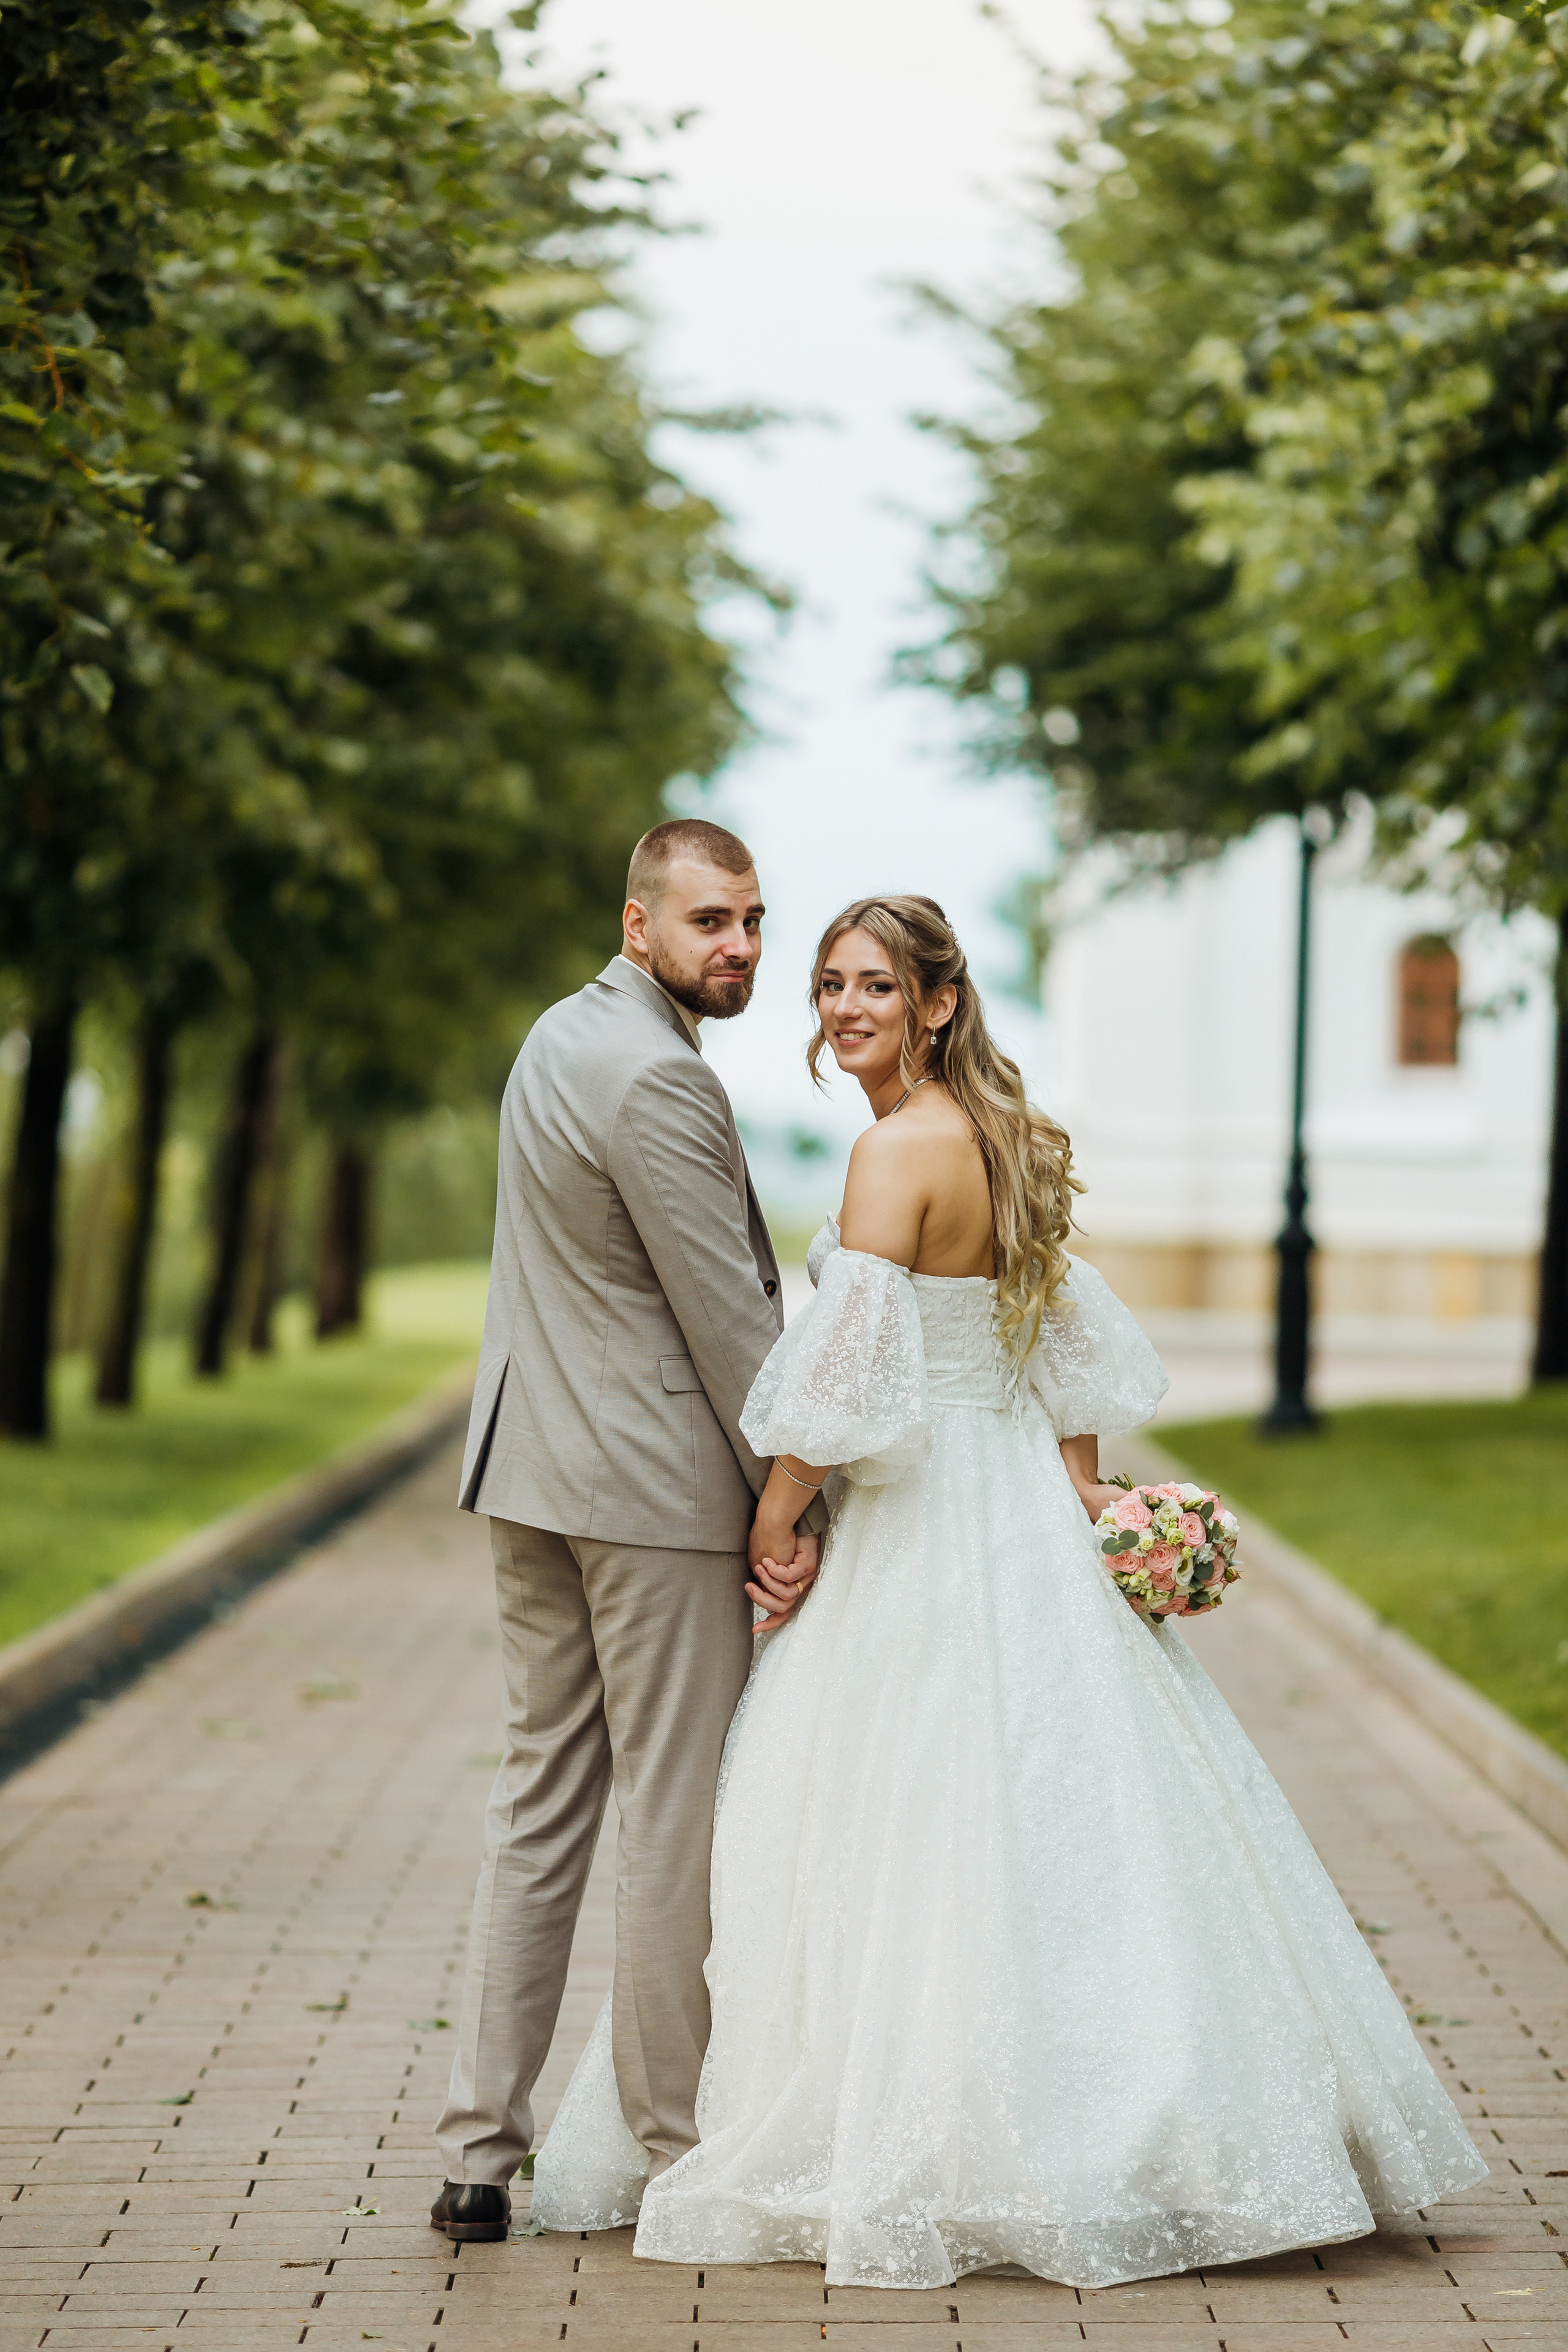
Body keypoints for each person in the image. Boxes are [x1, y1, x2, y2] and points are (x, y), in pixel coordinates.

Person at [532, 892, 1487, 2290]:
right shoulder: (1009, 1146)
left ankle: (950, 2132)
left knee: (899, 1822)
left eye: (873, 986)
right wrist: (1086, 1494)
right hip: (1016, 1507)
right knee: (1061, 1820)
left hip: (922, 1524)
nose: (843, 1009)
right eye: (827, 985)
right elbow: (1056, 1355)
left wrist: (774, 1519)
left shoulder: (893, 1154)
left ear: (936, 1003)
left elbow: (843, 1385)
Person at [429, 820, 824, 2245]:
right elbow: (728, 1318)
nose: (739, 948)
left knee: (540, 1800)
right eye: (710, 921)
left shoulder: (556, 1035)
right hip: (646, 1497)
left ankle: (477, 2151)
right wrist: (797, 1489)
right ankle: (671, 2154)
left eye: (754, 921)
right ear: (638, 921)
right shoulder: (660, 1077)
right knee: (670, 1809)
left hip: (528, 1474)